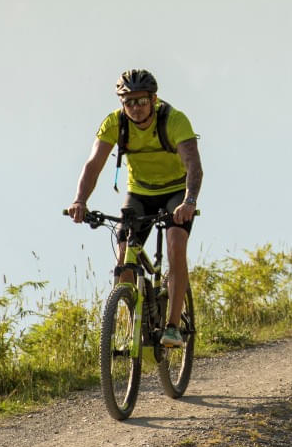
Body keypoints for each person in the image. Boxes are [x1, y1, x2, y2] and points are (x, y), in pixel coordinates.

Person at [67, 69, 202, 348]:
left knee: (176, 244)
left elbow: (193, 166)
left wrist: (189, 202)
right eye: (128, 102)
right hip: (139, 192)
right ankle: (135, 322)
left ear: (153, 99)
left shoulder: (174, 120)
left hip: (175, 192)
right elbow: (93, 165)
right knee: (123, 258)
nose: (135, 108)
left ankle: (174, 326)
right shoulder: (115, 123)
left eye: (141, 101)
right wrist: (80, 200)